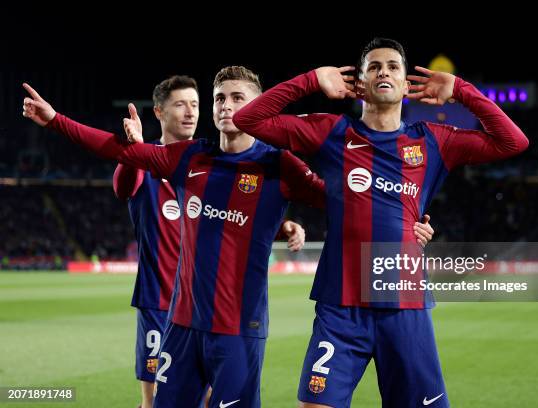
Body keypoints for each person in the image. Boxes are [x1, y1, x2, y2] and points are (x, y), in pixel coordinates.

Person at [23, 64, 435, 408]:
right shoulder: (191, 157)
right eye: (220, 97)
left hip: (239, 331)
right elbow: (119, 151)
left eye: (238, 98)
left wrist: (411, 222)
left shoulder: (280, 166)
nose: (226, 106)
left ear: (256, 106)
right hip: (181, 328)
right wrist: (55, 120)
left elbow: (351, 200)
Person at [233, 38, 529, 407]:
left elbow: (513, 142)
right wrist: (310, 80)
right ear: (359, 85)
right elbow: (248, 120)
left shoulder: (432, 142)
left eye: (392, 66)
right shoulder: (332, 132)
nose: (383, 71)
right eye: (373, 67)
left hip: (404, 307)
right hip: (341, 305)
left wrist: (461, 90)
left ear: (407, 86)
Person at [112, 74, 305, 408]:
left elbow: (230, 220)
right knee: (155, 400)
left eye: (195, 104)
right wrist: (132, 150)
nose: (190, 112)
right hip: (161, 301)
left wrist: (282, 226)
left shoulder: (205, 161)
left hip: (212, 305)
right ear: (159, 112)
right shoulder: (150, 162)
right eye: (180, 104)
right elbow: (123, 186)